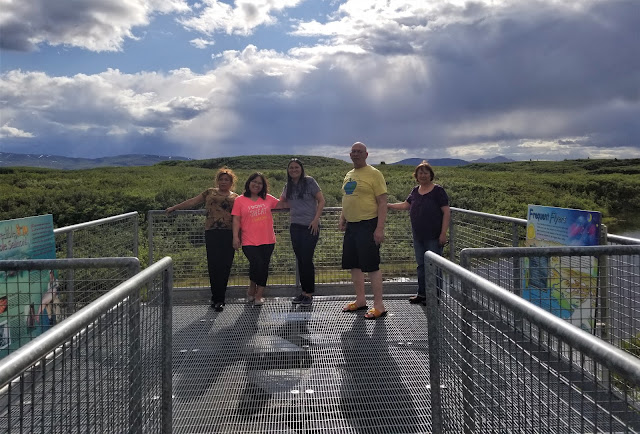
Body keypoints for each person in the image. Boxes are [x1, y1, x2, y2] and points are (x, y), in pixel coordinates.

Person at [166, 167, 238, 312]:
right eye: (221, 179)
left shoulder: (236, 197)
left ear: (232, 182)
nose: (223, 182)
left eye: (227, 180)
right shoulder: (209, 192)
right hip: (211, 231)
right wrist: (175, 207)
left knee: (225, 266)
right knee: (213, 265)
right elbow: (193, 202)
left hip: (228, 233)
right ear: (217, 181)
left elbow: (240, 215)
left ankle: (220, 299)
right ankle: (215, 297)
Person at [388, 160, 450, 304]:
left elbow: (446, 212)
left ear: (431, 175)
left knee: (434, 267)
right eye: (420, 173)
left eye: (425, 173)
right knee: (421, 265)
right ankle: (422, 294)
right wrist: (389, 205)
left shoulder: (438, 191)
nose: (423, 175)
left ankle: (435, 297)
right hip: (418, 236)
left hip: (434, 236)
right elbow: (406, 205)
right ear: (416, 176)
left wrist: (443, 233)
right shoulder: (415, 191)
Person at [339, 142, 388, 319]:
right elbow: (348, 197)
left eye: (359, 152)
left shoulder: (375, 174)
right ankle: (360, 300)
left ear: (366, 155)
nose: (356, 154)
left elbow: (382, 202)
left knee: (372, 265)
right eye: (353, 151)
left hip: (368, 224)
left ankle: (379, 305)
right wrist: (343, 217)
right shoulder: (349, 174)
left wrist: (379, 228)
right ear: (350, 154)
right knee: (354, 265)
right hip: (352, 225)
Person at [279, 158, 325, 307]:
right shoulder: (289, 185)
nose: (293, 170)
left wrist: (316, 220)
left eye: (296, 167)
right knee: (301, 260)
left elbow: (321, 200)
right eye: (291, 168)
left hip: (310, 226)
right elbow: (282, 201)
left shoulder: (310, 181)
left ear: (301, 168)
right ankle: (304, 292)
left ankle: (309, 293)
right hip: (295, 226)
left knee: (306, 259)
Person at [232, 172, 282, 306]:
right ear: (249, 183)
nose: (256, 185)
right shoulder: (240, 200)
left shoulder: (268, 198)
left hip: (268, 240)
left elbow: (283, 204)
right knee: (257, 264)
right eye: (254, 181)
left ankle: (258, 294)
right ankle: (251, 289)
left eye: (260, 183)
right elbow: (236, 219)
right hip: (248, 240)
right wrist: (235, 237)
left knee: (262, 266)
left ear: (263, 186)